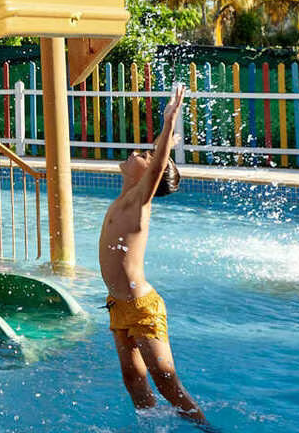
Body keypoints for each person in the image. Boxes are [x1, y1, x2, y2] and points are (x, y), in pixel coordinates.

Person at [99, 81, 206, 423]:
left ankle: (207, 428)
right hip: (118, 304)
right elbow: (157, 162)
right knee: (133, 379)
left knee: (166, 382)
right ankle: (153, 428)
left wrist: (169, 121)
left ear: (150, 178)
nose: (138, 153)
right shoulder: (126, 199)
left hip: (142, 306)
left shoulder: (139, 203)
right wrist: (165, 142)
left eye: (145, 156)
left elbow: (159, 165)